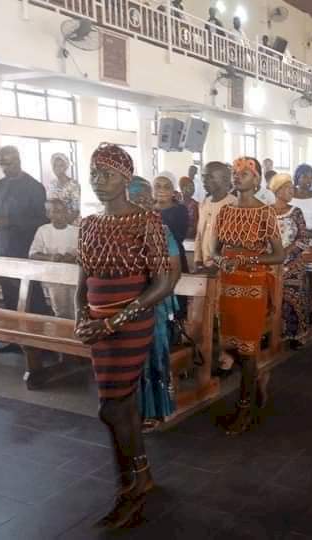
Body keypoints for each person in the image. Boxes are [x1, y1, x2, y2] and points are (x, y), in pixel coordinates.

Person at [75, 143, 173, 529]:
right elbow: (83, 280)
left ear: (125, 178)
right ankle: (140, 476)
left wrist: (115, 321)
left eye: (108, 174)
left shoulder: (147, 221)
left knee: (110, 407)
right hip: (98, 323)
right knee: (122, 404)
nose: (100, 181)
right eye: (95, 173)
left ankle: (129, 486)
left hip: (130, 324)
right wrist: (80, 314)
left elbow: (164, 281)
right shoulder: (89, 224)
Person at [208, 156, 285, 434]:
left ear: (256, 180)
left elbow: (279, 254)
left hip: (252, 286)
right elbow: (215, 250)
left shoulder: (266, 213)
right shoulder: (225, 212)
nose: (237, 176)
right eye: (235, 172)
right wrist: (221, 261)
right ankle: (258, 380)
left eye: (244, 173)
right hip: (227, 283)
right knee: (229, 346)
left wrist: (249, 261)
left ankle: (245, 410)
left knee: (247, 349)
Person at [128, 177, 181, 432]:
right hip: (124, 302)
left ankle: (154, 409)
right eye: (138, 198)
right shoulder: (115, 231)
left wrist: (154, 297)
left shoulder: (161, 229)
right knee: (129, 357)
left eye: (147, 198)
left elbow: (174, 271)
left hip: (155, 301)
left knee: (152, 355)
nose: (145, 203)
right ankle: (130, 407)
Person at [0, 146, 49, 353]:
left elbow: (42, 219)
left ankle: (41, 344)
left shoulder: (34, 186)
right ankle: (16, 340)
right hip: (3, 248)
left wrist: (11, 221)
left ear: (19, 159)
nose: (6, 168)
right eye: (2, 163)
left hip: (24, 248)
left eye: (10, 162)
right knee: (9, 296)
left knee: (32, 296)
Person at [271, 173, 310, 347]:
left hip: (292, 262)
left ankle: (296, 333)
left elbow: (303, 239)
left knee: (294, 289)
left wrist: (285, 253)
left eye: (292, 188)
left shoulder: (296, 212)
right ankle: (272, 331)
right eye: (288, 188)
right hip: (271, 262)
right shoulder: (266, 212)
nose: (292, 191)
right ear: (277, 190)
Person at [29, 199, 79, 319]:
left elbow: (85, 253)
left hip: (74, 277)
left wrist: (72, 257)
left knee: (76, 310)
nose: (61, 214)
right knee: (60, 311)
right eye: (56, 211)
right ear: (48, 214)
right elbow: (33, 254)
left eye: (63, 211)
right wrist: (51, 257)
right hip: (55, 278)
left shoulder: (76, 231)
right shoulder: (43, 230)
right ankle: (62, 335)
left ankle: (75, 335)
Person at [194, 161, 237, 272]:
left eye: (210, 177)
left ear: (225, 180)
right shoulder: (204, 203)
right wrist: (198, 261)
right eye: (203, 176)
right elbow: (199, 234)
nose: (205, 180)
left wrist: (217, 265)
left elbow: (232, 243)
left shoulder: (234, 205)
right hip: (205, 266)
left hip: (223, 267)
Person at [153, 174, 189, 274]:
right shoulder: (147, 209)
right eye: (157, 186)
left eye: (167, 187)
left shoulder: (180, 210)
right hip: (152, 260)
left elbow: (179, 237)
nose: (161, 190)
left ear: (173, 191)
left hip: (174, 258)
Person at [48, 152, 80, 224]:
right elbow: (49, 205)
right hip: (55, 223)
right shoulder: (51, 184)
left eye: (61, 166)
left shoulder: (73, 185)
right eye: (55, 166)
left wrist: (64, 225)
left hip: (69, 224)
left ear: (66, 167)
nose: (57, 168)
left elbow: (76, 210)